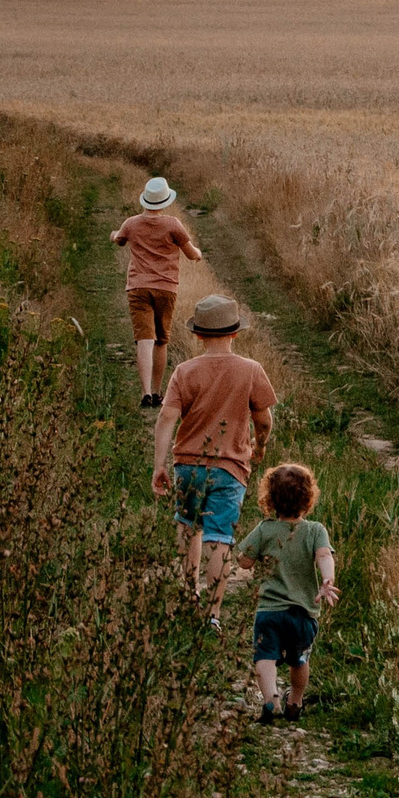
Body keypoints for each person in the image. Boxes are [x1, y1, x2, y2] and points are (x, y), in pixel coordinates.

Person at [150, 294, 275, 627]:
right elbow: (263, 420)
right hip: (230, 468)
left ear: (199, 335)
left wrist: (159, 465)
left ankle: (190, 594)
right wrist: (259, 446)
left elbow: (166, 419)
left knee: (188, 524)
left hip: (188, 465)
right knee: (219, 535)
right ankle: (213, 614)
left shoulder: (185, 371)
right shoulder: (251, 370)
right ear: (235, 333)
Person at [234, 462, 337, 724]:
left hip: (269, 611)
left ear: (269, 499)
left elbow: (244, 562)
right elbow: (324, 555)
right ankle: (295, 702)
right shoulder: (315, 530)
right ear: (308, 498)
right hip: (303, 612)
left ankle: (271, 700)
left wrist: (242, 554)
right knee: (299, 660)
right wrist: (327, 579)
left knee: (264, 657)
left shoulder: (265, 529)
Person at [110, 177, 203, 408]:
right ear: (165, 201)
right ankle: (158, 391)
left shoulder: (131, 223)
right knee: (161, 341)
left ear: (145, 200)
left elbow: (119, 240)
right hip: (165, 287)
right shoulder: (173, 225)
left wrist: (113, 234)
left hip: (138, 287)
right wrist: (199, 253)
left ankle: (144, 393)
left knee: (144, 340)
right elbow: (192, 254)